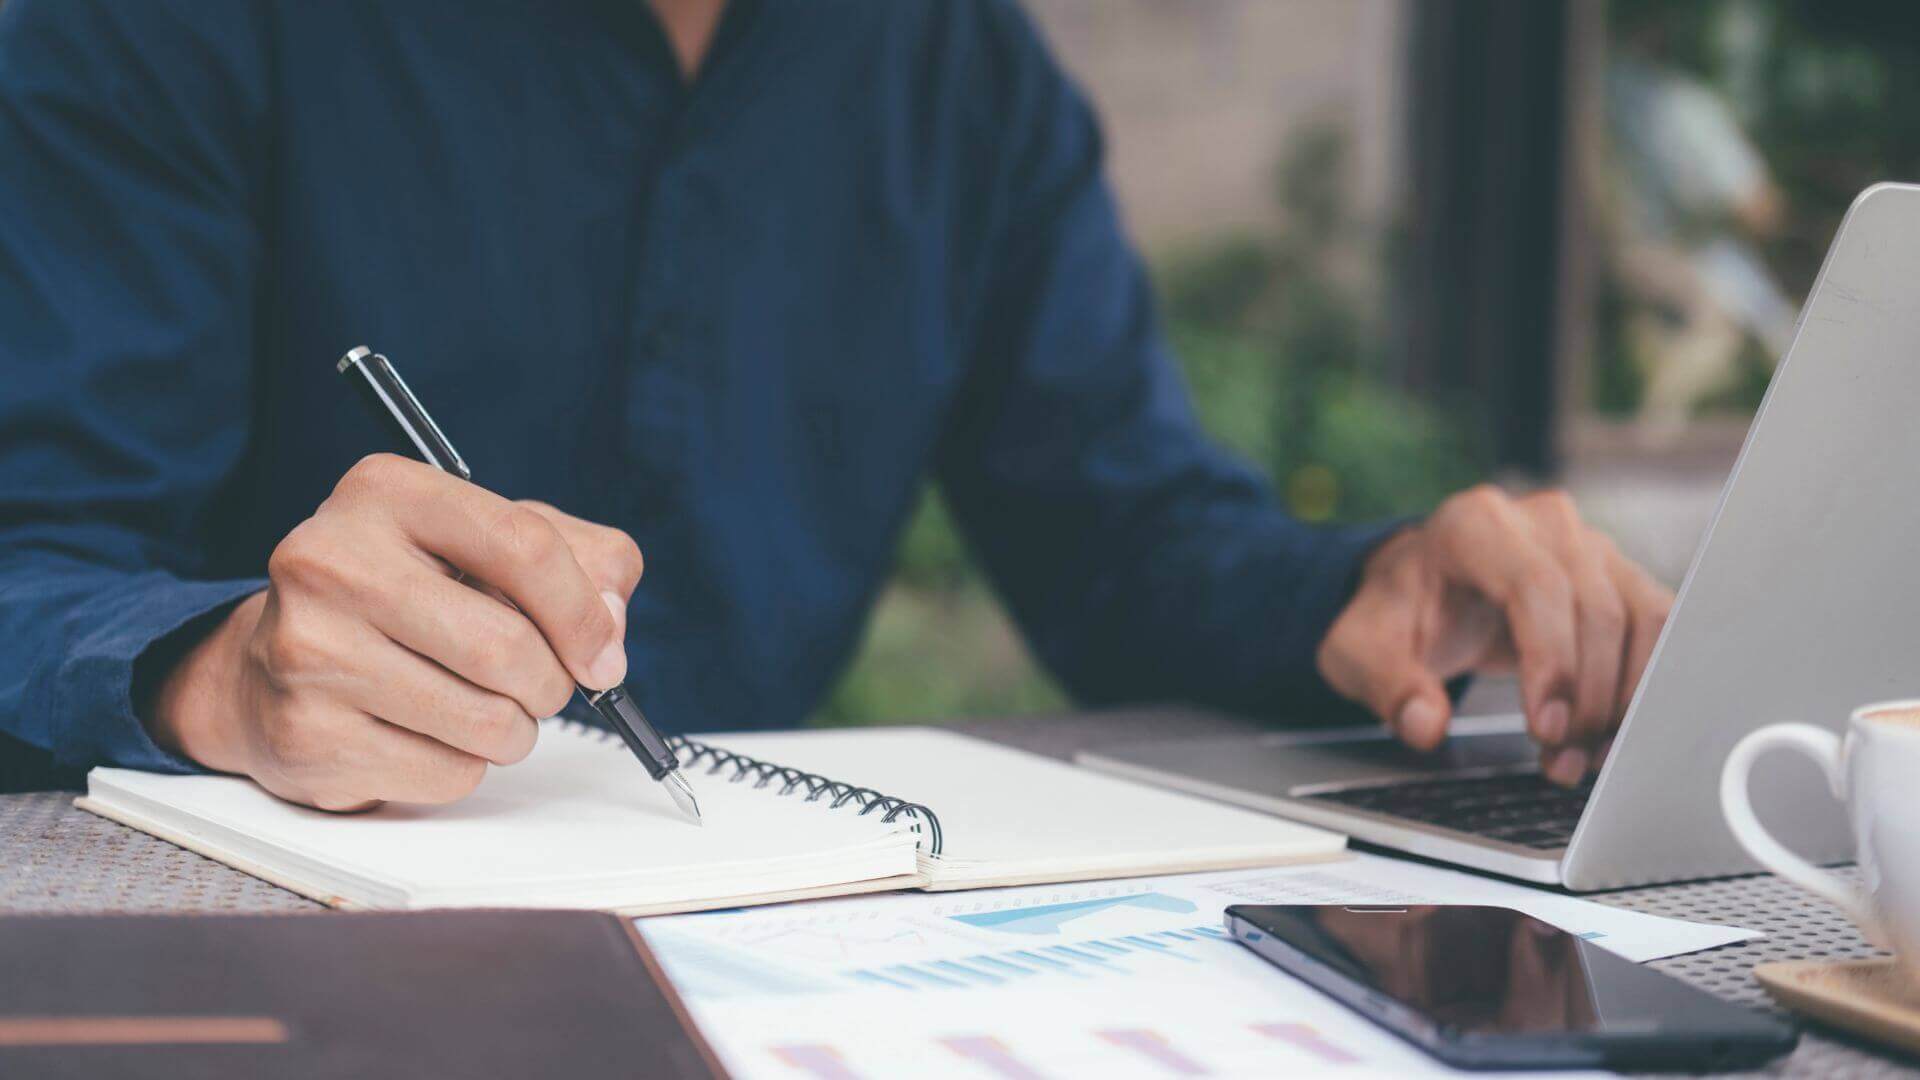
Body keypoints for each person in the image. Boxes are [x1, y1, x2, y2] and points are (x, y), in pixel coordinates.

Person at [0, 0, 1671, 811]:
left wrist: (1361, 592)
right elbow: (28, 554)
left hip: (775, 944)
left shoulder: (959, 71)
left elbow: (1123, 536)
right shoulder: (168, 22)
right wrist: (222, 672)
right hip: (258, 948)